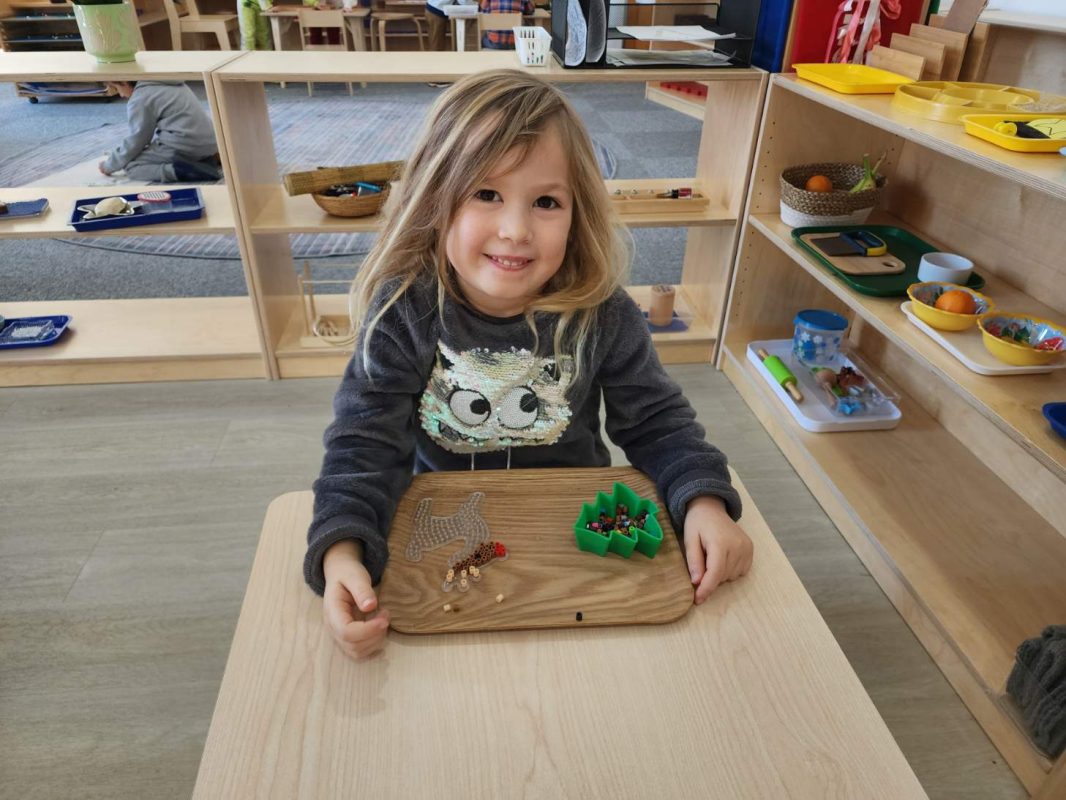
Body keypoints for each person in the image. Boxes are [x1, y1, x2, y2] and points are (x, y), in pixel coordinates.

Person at [305, 70, 753, 661]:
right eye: (486, 194)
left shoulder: (603, 314)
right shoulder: (403, 313)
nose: (515, 230)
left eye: (546, 202)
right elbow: (363, 447)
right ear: (436, 200)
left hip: (573, 540)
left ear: (576, 214)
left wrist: (704, 503)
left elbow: (657, 423)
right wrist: (342, 550)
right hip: (447, 534)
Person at [99, 81, 222, 184]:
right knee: (150, 148)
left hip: (186, 144)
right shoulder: (171, 83)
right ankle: (205, 159)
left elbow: (137, 140)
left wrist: (110, 165)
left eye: (117, 88)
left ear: (124, 82)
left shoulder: (140, 98)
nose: (120, 95)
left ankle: (182, 171)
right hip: (211, 142)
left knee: (132, 166)